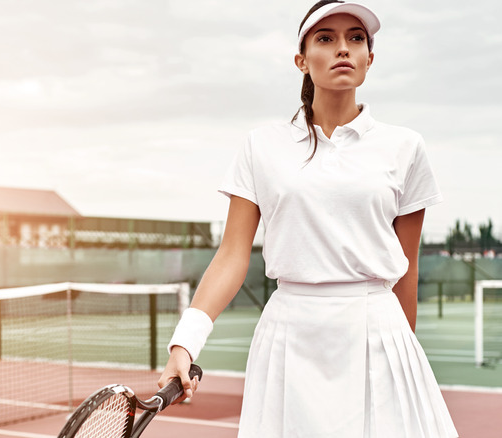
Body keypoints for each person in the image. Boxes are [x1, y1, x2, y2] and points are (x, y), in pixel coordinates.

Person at [159, 1, 459, 436]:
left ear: (369, 60)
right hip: (289, 336)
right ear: (302, 60)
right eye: (326, 38)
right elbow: (231, 255)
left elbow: (405, 269)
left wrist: (403, 352)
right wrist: (184, 344)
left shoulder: (406, 147)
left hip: (379, 333)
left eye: (356, 39)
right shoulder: (261, 145)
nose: (343, 49)